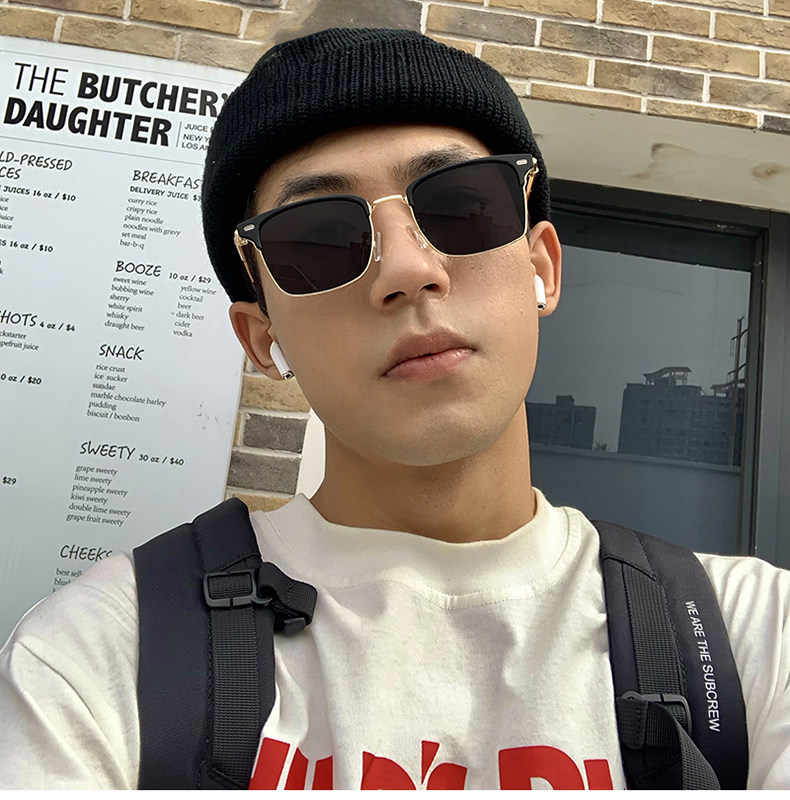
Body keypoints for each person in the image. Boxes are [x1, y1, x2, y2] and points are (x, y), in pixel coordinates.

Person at [0, 27, 788, 790]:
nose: (408, 270)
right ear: (263, 338)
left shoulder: (752, 637)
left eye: (462, 205)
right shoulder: (103, 656)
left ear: (543, 268)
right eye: (318, 238)